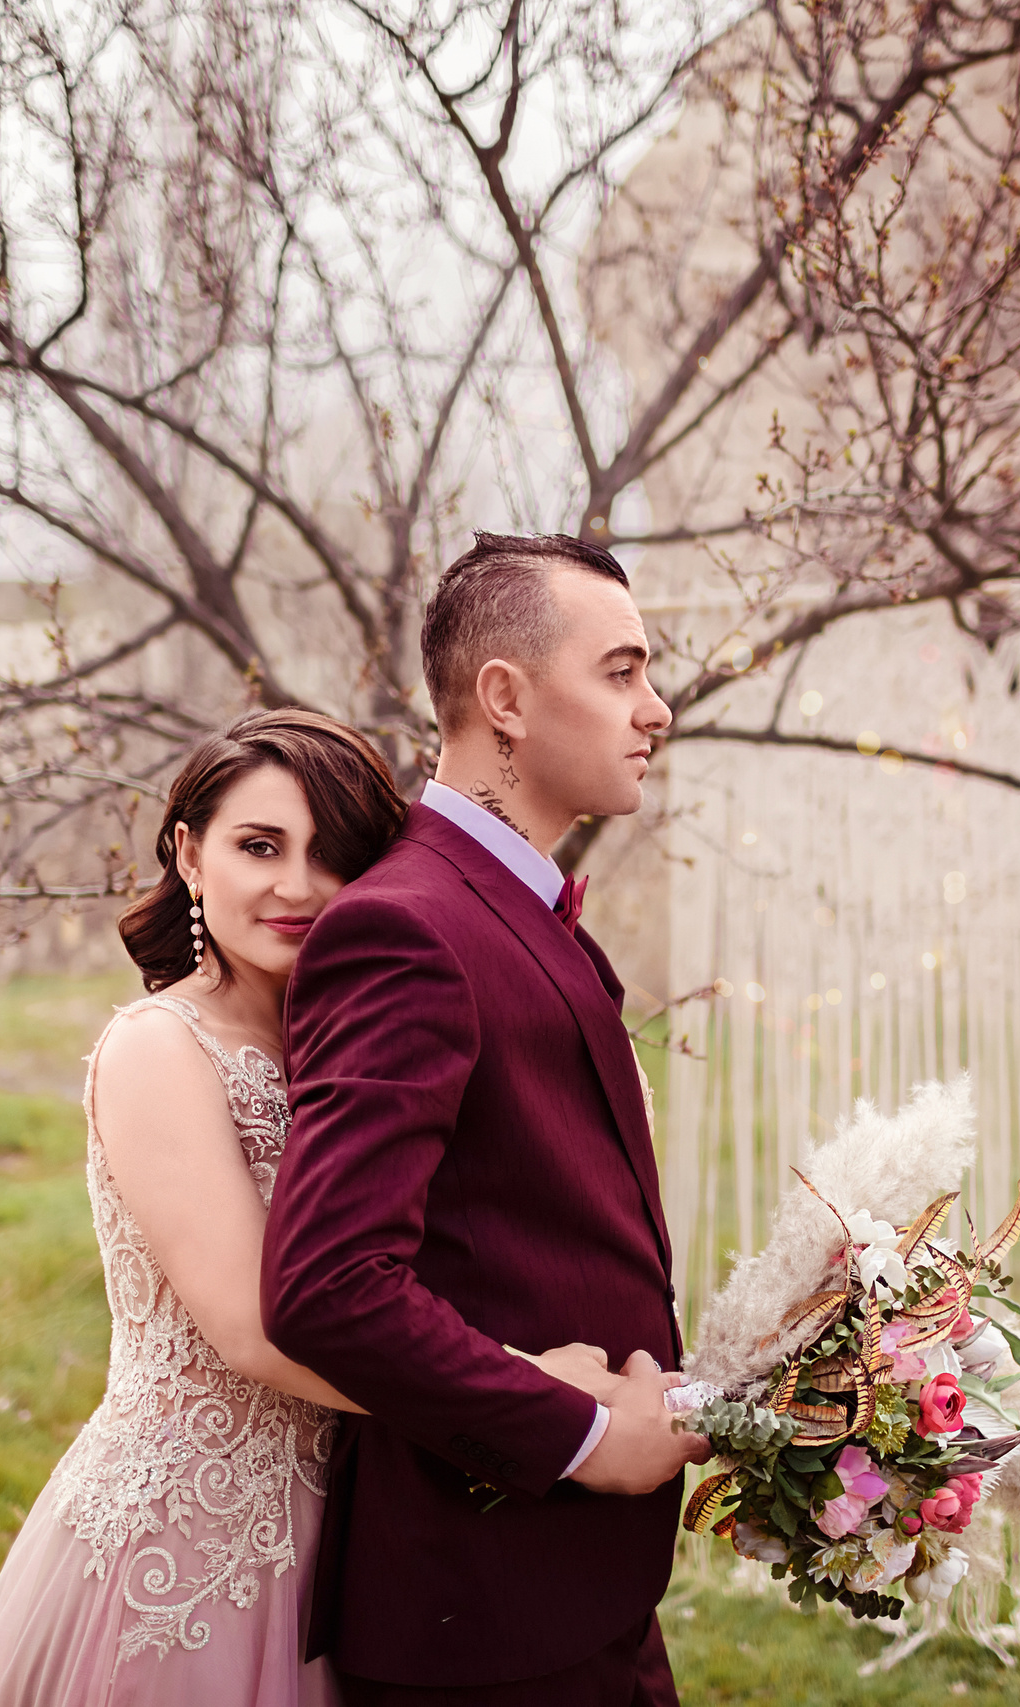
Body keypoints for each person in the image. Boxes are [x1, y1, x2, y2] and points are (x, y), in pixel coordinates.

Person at [262, 532, 710, 1706]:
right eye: (621, 672)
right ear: (504, 699)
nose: (655, 709)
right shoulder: (405, 929)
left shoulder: (526, 912)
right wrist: (576, 1433)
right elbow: (328, 1285)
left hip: (572, 1586)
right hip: (481, 1608)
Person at [0, 710, 410, 1707]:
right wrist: (518, 1406)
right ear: (190, 855)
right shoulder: (161, 1046)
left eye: (334, 855)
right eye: (260, 846)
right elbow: (248, 1330)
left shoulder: (351, 1047)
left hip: (356, 1523)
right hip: (188, 1541)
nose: (298, 887)